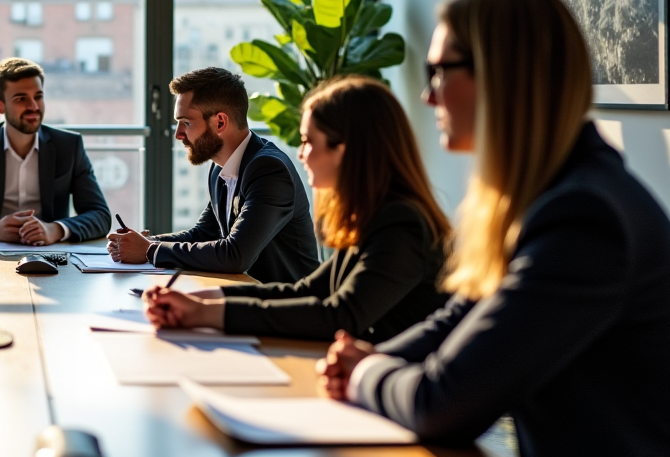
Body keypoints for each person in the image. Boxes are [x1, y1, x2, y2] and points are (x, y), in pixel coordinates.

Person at [317, 0, 670, 457]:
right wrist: (374, 358)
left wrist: (362, 372)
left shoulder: (586, 218)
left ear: (504, 76)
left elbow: (443, 404)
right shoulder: (550, 198)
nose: (428, 96)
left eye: (442, 71)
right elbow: (457, 320)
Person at [143, 75, 449, 341]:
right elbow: (307, 290)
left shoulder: (400, 223)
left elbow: (339, 316)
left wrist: (205, 314)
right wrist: (197, 300)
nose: (300, 154)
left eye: (307, 140)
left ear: (344, 150)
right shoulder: (373, 217)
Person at [108, 67, 319, 282]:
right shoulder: (220, 168)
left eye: (186, 123)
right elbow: (203, 234)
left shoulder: (269, 170)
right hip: (246, 296)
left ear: (220, 122)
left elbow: (235, 255)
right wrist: (143, 242)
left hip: (288, 306)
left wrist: (149, 250)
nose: (178, 134)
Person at [0, 57, 111, 244]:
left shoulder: (68, 145)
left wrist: (56, 230)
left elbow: (100, 215)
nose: (33, 106)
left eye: (38, 97)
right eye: (21, 99)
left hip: (52, 257)